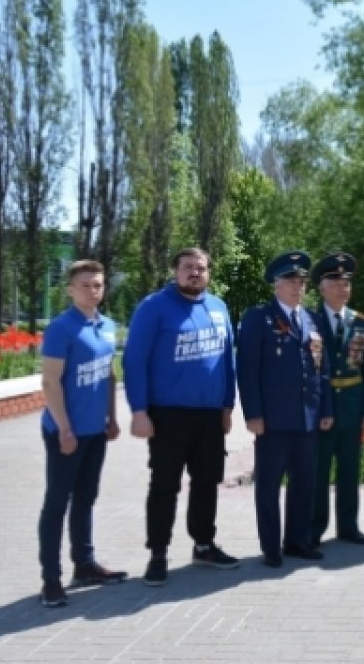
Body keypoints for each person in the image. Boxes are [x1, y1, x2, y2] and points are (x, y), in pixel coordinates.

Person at [124, 247, 239, 587]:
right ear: (175, 271)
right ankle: (157, 554)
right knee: (164, 485)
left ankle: (203, 545)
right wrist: (139, 410)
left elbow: (228, 361)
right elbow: (134, 361)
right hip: (167, 415)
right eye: (187, 267)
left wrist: (227, 405)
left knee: (207, 482)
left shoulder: (218, 308)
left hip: (209, 416)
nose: (194, 273)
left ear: (209, 273)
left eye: (200, 268)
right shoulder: (153, 307)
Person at [37, 260, 125, 607]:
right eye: (86, 284)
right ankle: (50, 580)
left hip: (95, 431)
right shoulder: (61, 328)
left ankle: (85, 565)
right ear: (71, 289)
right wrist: (64, 428)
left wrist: (112, 418)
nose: (93, 290)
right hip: (65, 432)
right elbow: (50, 381)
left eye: (98, 284)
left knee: (86, 499)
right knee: (57, 503)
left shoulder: (106, 326)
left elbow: (108, 375)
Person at [238, 251, 333, 567]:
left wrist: (325, 409)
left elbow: (322, 369)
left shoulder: (311, 319)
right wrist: (253, 414)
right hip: (273, 420)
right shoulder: (259, 318)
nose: (297, 286)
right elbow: (248, 370)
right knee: (268, 486)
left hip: (307, 418)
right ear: (275, 285)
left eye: (302, 281)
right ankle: (271, 547)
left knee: (304, 484)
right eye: (290, 281)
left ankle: (297, 541)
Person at [309, 252, 364, 548]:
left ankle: (348, 526)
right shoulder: (309, 321)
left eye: (346, 283)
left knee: (350, 470)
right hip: (322, 409)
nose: (342, 288)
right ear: (321, 287)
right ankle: (314, 529)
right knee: (318, 472)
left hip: (352, 407)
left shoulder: (361, 323)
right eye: (335, 282)